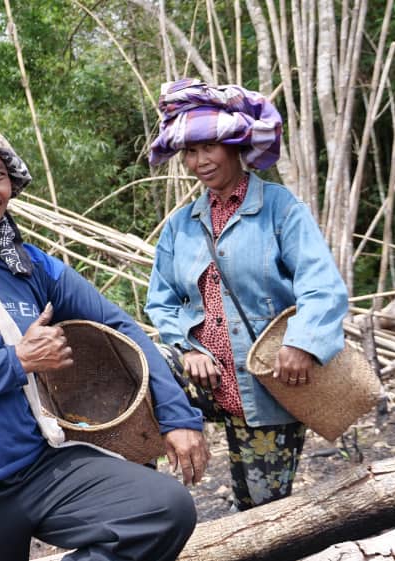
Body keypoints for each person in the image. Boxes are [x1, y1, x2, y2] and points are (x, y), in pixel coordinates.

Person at [0, 115, 208, 561]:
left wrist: (177, 415)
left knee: (163, 509)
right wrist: (18, 361)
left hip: (33, 469)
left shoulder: (29, 265)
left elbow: (121, 327)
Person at [145, 79, 350, 511]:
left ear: (235, 145)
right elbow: (160, 301)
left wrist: (302, 343)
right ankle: (140, 505)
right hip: (204, 378)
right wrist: (187, 347)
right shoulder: (182, 224)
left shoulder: (279, 208)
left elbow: (322, 286)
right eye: (190, 152)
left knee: (262, 507)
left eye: (209, 148)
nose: (199, 161)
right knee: (138, 373)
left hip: (269, 380)